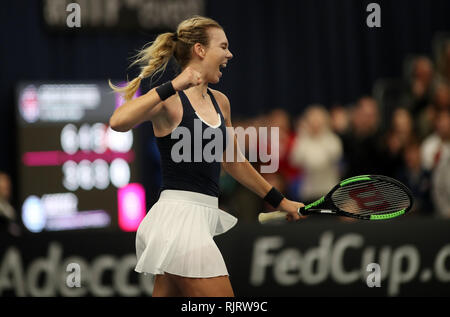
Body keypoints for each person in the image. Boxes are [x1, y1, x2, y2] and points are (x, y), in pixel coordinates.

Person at [109, 16, 304, 297]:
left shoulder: (220, 102)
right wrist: (174, 85)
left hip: (195, 220)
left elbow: (233, 161)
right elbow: (118, 122)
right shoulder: (171, 100)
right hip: (178, 220)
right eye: (223, 47)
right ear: (200, 50)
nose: (229, 54)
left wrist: (280, 201)